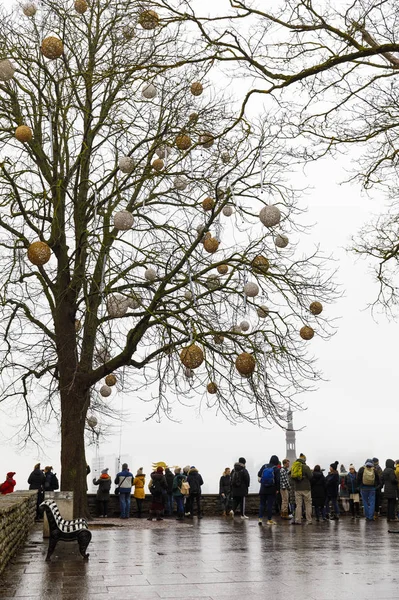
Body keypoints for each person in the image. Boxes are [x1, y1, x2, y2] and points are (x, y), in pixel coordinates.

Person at [257, 455, 280, 526]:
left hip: (263, 488)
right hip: (271, 489)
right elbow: (277, 480)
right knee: (269, 505)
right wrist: (277, 489)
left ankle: (260, 519)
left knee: (262, 504)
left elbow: (259, 474)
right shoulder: (276, 469)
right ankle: (269, 520)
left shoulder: (264, 466)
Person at [291, 453, 313, 525]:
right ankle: (309, 520)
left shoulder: (294, 466)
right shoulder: (306, 467)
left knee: (298, 505)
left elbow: (291, 477)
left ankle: (298, 520)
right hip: (306, 488)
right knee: (308, 504)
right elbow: (310, 476)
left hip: (297, 488)